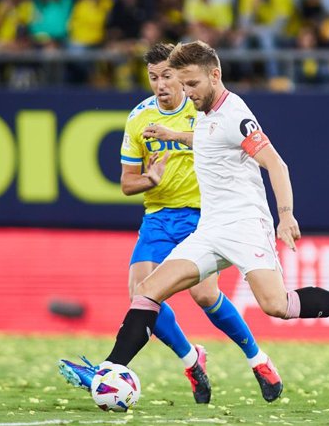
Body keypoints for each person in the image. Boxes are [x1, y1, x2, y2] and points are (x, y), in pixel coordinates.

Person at [59, 40, 329, 402]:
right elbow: (208, 140)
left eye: (192, 84)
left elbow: (276, 163)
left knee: (278, 305)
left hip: (245, 227)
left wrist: (285, 216)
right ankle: (111, 369)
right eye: (182, 83)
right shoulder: (205, 116)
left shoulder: (235, 113)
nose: (186, 92)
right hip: (209, 229)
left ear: (215, 75)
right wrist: (173, 135)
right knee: (147, 291)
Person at [58, 43, 284, 404]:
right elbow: (126, 183)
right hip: (158, 217)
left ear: (181, 77)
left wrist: (177, 137)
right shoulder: (138, 119)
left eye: (167, 76)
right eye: (153, 78)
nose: (161, 84)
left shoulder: (204, 110)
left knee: (205, 295)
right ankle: (192, 359)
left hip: (202, 215)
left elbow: (227, 142)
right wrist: (150, 180)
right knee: (142, 294)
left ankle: (258, 359)